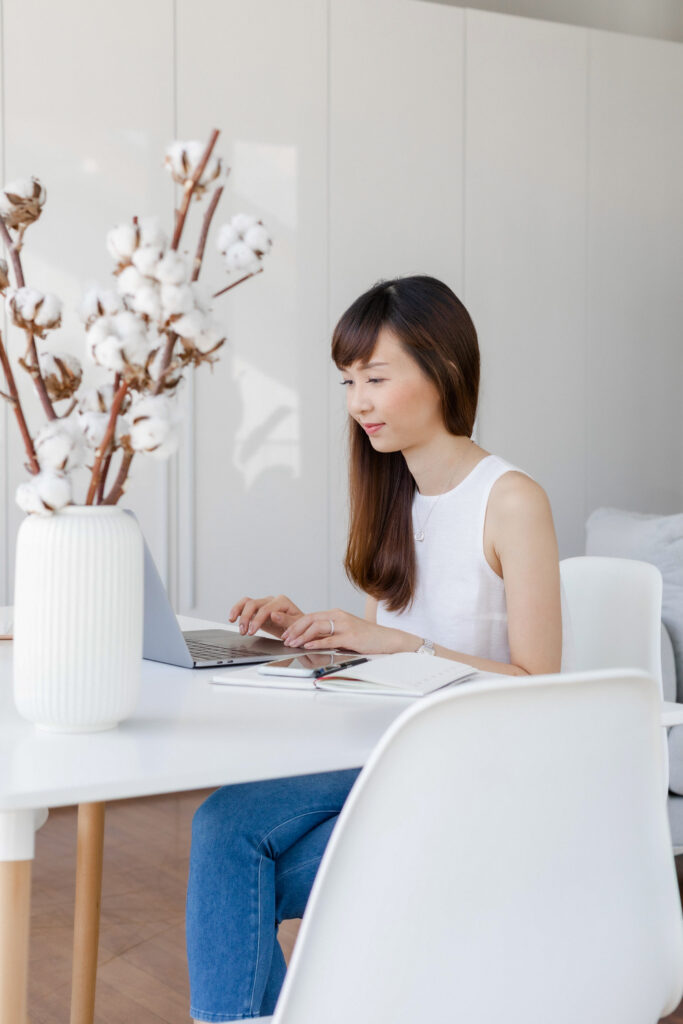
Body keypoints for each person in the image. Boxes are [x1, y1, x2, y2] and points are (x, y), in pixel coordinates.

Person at [186, 275, 567, 1022]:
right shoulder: (398, 495)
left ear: (443, 372)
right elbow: (381, 668)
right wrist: (307, 632)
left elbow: (539, 688)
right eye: (347, 381)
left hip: (479, 770)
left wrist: (398, 639)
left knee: (235, 856)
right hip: (392, 752)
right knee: (221, 825)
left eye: (376, 377)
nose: (357, 401)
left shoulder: (511, 500)